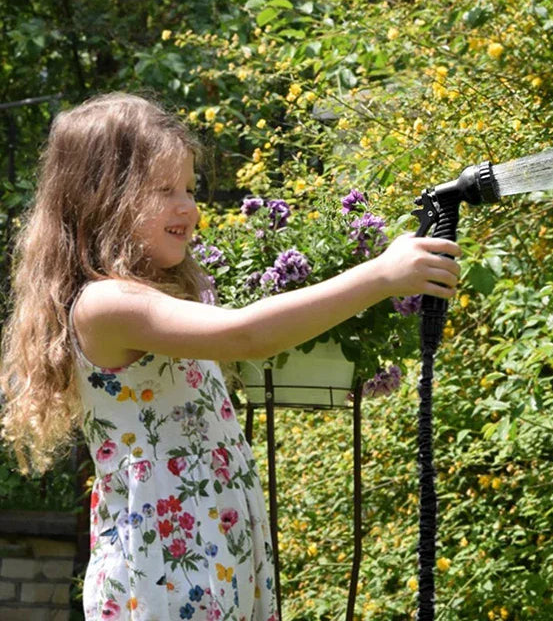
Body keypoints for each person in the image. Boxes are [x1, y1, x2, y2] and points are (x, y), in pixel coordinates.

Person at [0, 92, 460, 621]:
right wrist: (380, 276)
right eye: (163, 190)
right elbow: (244, 336)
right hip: (165, 572)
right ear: (103, 198)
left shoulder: (153, 297)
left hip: (212, 549)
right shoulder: (108, 304)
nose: (188, 207)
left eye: (190, 189)